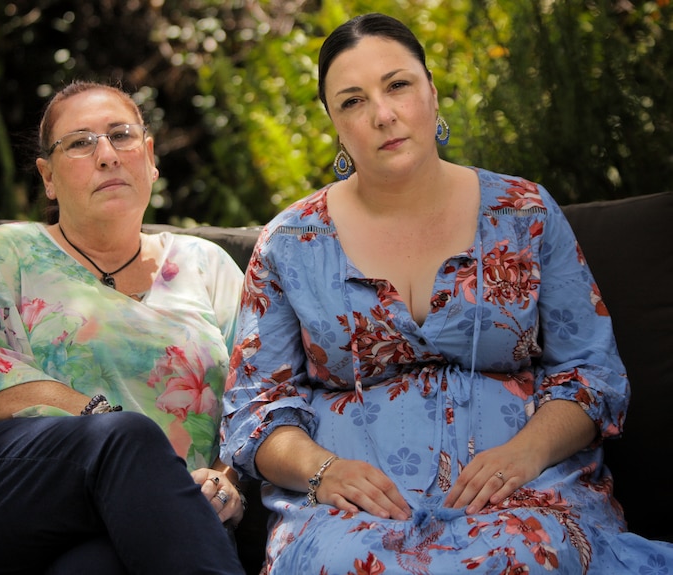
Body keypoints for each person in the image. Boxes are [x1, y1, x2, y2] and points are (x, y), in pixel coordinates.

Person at [220, 13, 673, 574]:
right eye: (353, 101)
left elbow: (591, 372)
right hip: (351, 508)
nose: (383, 114)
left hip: (524, 490)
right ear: (334, 124)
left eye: (397, 85)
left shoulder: (524, 213)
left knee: (520, 555)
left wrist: (526, 451)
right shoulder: (290, 243)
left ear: (432, 93)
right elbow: (255, 408)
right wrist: (323, 471)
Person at [0, 80, 246, 575]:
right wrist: (95, 417)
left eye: (121, 135)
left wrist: (226, 479)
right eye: (80, 142)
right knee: (126, 438)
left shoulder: (206, 266)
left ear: (149, 156)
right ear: (48, 178)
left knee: (96, 566)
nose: (106, 154)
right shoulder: (6, 250)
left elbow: (258, 390)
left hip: (142, 514)